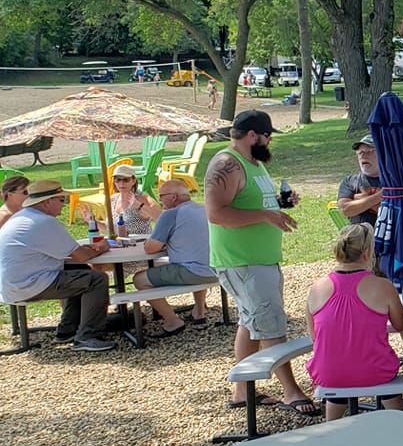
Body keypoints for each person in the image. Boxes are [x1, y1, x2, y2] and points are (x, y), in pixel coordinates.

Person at [205, 110, 312, 414]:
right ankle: (291, 391)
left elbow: (249, 203)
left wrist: (278, 204)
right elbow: (216, 213)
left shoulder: (253, 163)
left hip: (259, 260)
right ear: (253, 135)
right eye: (267, 136)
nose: (269, 141)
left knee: (250, 323)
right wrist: (266, 215)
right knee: (270, 325)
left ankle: (242, 391)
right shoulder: (226, 164)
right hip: (242, 261)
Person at [304, 224, 403, 422]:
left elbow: (315, 337)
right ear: (367, 254)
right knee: (384, 374)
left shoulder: (317, 287)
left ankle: (331, 428)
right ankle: (400, 423)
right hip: (376, 371)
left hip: (329, 373)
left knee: (340, 370)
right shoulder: (382, 286)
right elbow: (401, 324)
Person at [0, 179, 115, 351]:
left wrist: (86, 250)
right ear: (47, 202)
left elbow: (68, 252)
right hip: (28, 284)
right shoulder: (44, 222)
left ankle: (67, 329)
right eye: (62, 200)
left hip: (14, 284)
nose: (64, 205)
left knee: (80, 272)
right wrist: (102, 247)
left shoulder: (23, 217)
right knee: (96, 279)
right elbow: (82, 256)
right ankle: (87, 337)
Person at [134, 180, 215, 334]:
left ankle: (172, 321)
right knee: (197, 260)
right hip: (216, 270)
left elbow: (151, 248)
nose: (160, 200)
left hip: (192, 272)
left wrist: (152, 243)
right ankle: (199, 311)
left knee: (139, 279)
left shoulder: (170, 214)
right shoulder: (203, 209)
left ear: (173, 197)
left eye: (161, 196)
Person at [337, 133, 383, 227]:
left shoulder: (394, 181)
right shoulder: (349, 181)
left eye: (369, 152)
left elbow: (395, 213)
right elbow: (345, 209)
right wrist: (380, 196)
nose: (363, 156)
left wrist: (361, 202)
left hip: (388, 234)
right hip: (359, 235)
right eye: (360, 153)